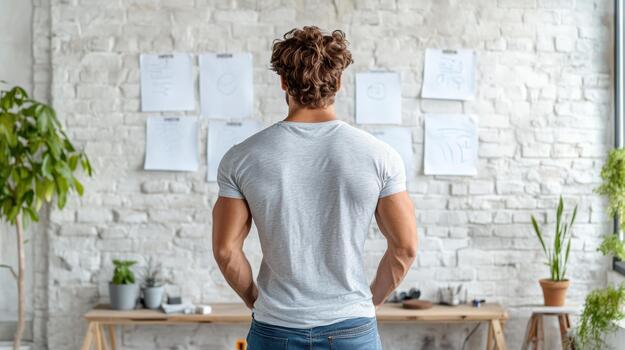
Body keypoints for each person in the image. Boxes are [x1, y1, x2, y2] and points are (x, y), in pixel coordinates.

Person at [212, 26, 418, 350]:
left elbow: (226, 251)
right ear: (338, 82)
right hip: (353, 328)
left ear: (282, 82)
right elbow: (405, 248)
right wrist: (367, 303)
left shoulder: (241, 158)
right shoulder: (380, 156)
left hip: (275, 328)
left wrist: (257, 300)